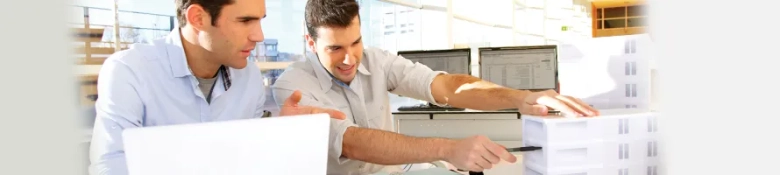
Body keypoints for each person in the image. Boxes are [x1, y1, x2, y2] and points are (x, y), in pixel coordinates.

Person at [270, 0, 600, 174]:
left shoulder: (377, 60)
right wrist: (447, 149)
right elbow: (353, 143)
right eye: (334, 48)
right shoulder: (292, 87)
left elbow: (445, 87)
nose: (349, 58)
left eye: (355, 42)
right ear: (310, 44)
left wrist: (522, 98)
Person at [88, 0, 346, 174]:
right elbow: (111, 168)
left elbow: (247, 162)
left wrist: (277, 135)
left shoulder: (249, 79)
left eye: (260, 20)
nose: (259, 36)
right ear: (198, 18)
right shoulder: (130, 71)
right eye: (245, 21)